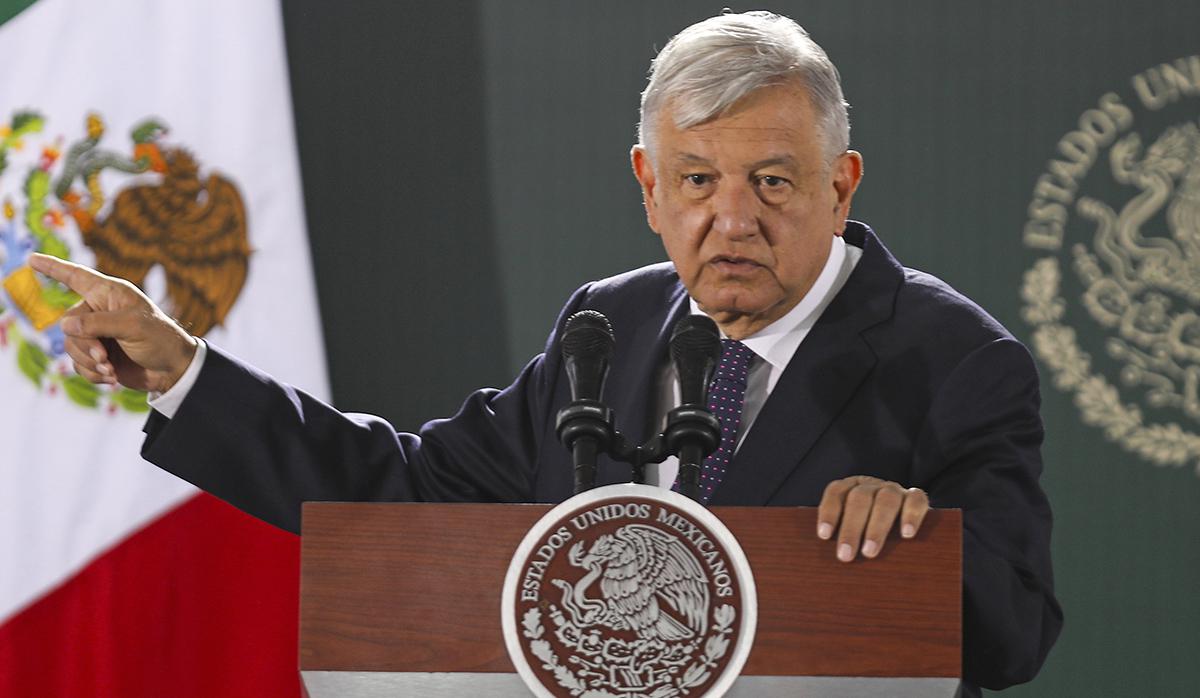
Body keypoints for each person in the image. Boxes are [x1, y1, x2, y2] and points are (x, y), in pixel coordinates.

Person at [29, 10, 1061, 694]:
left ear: (842, 186)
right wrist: (182, 367)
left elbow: (1015, 628)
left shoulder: (954, 357)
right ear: (648, 189)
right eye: (697, 181)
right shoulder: (604, 328)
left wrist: (920, 554)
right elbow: (410, 492)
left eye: (775, 182)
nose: (732, 219)